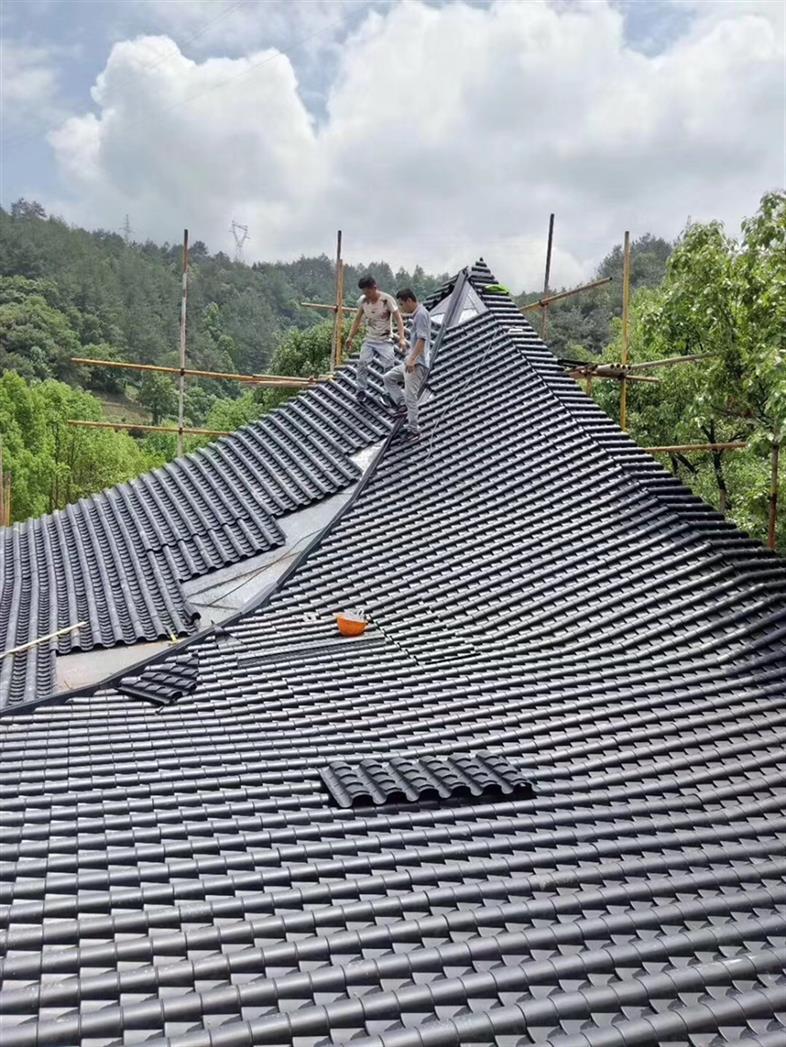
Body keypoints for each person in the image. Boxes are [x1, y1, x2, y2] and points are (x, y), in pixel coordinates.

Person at [346, 275, 406, 403]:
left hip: (385, 340)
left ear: (374, 288)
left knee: (389, 366)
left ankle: (387, 393)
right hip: (370, 339)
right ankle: (361, 390)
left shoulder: (387, 299)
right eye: (364, 292)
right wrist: (350, 337)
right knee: (362, 362)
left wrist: (401, 338)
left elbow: (398, 319)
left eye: (368, 292)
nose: (366, 294)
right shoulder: (363, 301)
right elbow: (357, 320)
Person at [383, 288, 431, 442]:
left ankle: (413, 429)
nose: (402, 308)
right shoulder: (418, 314)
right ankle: (401, 403)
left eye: (402, 304)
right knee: (388, 378)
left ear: (409, 300)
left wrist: (412, 360)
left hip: (417, 364)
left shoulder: (422, 315)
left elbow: (422, 341)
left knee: (411, 396)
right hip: (411, 361)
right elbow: (416, 341)